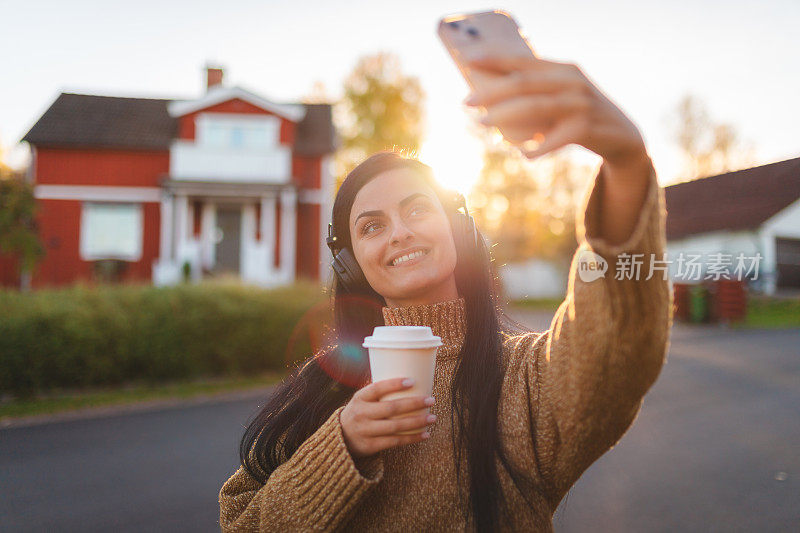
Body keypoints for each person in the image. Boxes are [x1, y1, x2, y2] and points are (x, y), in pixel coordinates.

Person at [219, 54, 672, 532]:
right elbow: (240, 523)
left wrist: (626, 163)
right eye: (372, 226)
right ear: (350, 263)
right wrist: (342, 444)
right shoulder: (322, 385)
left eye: (417, 210)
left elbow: (619, 344)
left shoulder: (526, 379)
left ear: (456, 229)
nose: (399, 234)